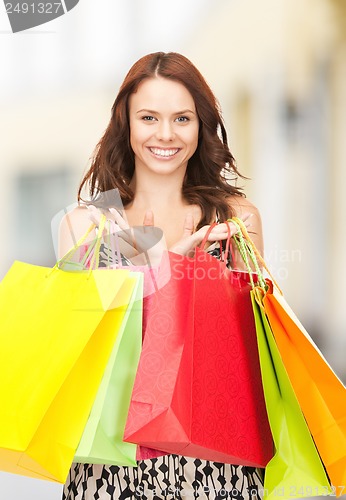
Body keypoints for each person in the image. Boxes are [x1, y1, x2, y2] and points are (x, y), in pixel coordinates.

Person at [59, 51, 265, 500]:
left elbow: (253, 357)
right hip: (112, 462)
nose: (166, 134)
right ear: (126, 124)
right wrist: (154, 273)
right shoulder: (88, 226)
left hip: (215, 461)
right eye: (149, 117)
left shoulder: (235, 221)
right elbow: (80, 362)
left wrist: (179, 274)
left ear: (201, 126)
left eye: (182, 118)